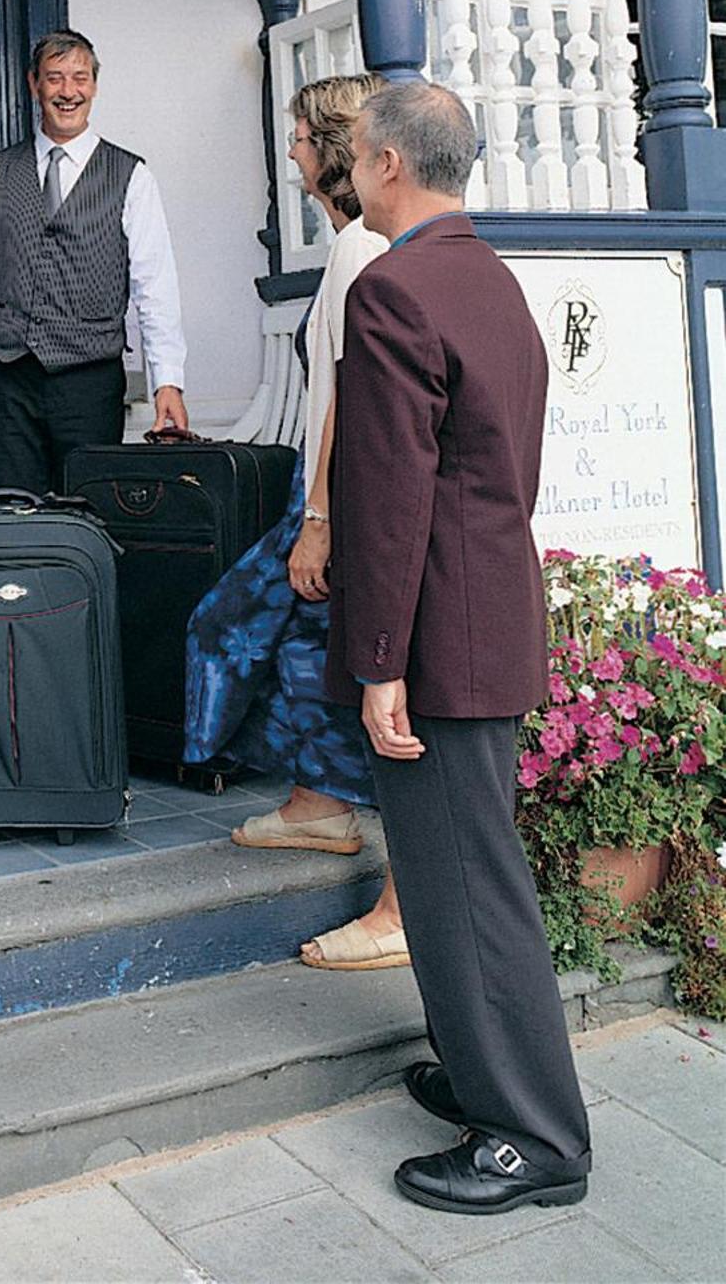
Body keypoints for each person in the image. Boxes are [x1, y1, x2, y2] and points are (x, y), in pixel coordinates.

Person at [333, 79, 590, 1215]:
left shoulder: (393, 288)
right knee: (451, 880)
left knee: (468, 887)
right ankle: (489, 1074)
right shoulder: (485, 276)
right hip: (487, 606)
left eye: (350, 154)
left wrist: (378, 654)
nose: (345, 171)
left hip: (439, 629)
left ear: (389, 161)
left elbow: (390, 496)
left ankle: (532, 1133)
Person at [184, 75, 406, 971]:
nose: (288, 150)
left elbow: (349, 394)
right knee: (305, 647)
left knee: (237, 627)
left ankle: (392, 883)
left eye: (297, 136)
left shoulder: (361, 250)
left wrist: (315, 517)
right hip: (330, 489)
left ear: (328, 148)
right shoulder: (360, 244)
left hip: (333, 493)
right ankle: (318, 804)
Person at [0, 30, 188, 494]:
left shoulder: (131, 176)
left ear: (94, 85)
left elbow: (155, 288)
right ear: (34, 85)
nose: (67, 91)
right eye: (55, 78)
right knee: (10, 511)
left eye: (79, 78)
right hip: (7, 379)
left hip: (89, 382)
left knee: (86, 513)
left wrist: (167, 381)